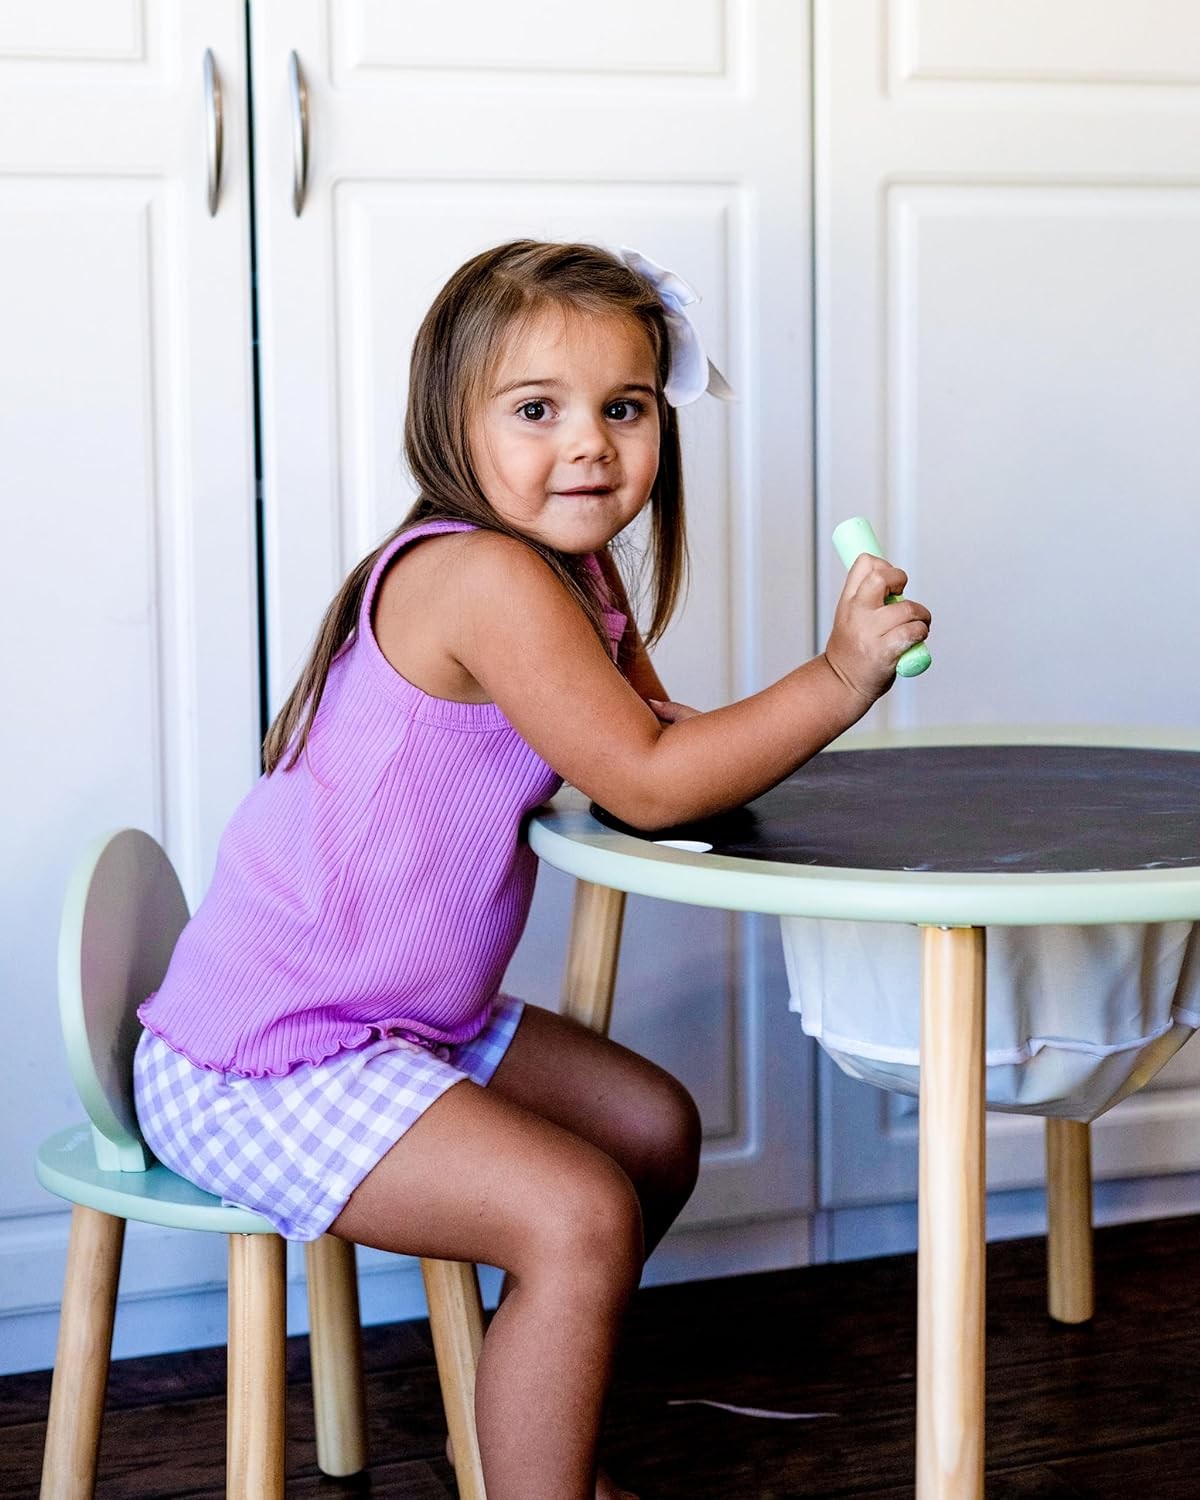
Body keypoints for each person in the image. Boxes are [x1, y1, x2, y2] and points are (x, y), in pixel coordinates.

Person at [132, 239, 930, 1500]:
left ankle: (517, 1437)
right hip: (270, 1052)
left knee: (652, 1132)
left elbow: (648, 741)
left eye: (626, 408)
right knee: (579, 1214)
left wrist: (737, 738)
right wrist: (836, 680)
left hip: (401, 1017)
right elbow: (649, 782)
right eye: (537, 410)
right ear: (451, 423)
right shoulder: (483, 575)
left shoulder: (572, 571)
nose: (591, 447)